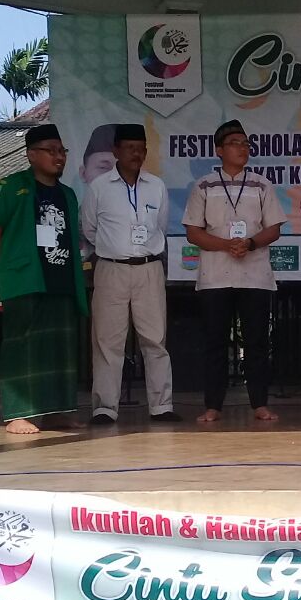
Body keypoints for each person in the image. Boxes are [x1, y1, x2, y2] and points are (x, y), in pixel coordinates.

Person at [0, 123, 89, 435]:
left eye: (62, 151)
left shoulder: (68, 194)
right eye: (50, 151)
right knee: (22, 346)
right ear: (31, 155)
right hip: (26, 280)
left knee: (59, 348)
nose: (59, 157)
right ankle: (18, 414)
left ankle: (57, 412)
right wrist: (9, 267)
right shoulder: (11, 186)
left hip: (62, 280)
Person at [183, 119, 287, 423]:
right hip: (215, 276)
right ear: (219, 150)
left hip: (254, 276)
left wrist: (250, 243)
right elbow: (193, 232)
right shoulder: (203, 185)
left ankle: (260, 404)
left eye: (245, 143)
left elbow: (274, 229)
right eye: (234, 143)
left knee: (257, 343)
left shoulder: (261, 184)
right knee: (215, 343)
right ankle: (213, 405)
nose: (242, 148)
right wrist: (226, 245)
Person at [81, 123, 181, 425]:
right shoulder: (99, 187)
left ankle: (161, 406)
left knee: (155, 339)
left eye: (141, 149)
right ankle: (104, 408)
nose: (136, 154)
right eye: (129, 148)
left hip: (149, 268)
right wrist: (116, 248)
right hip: (111, 268)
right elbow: (90, 229)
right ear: (116, 151)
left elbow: (160, 226)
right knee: (107, 341)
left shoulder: (156, 186)